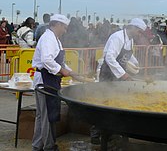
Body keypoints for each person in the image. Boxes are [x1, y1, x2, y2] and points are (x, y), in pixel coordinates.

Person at [90, 18, 147, 145]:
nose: (140, 35)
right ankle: (96, 134)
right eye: (139, 32)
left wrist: (136, 63)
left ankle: (112, 132)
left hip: (118, 75)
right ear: (133, 28)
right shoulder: (118, 37)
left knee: (116, 102)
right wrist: (123, 74)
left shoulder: (130, 40)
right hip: (108, 74)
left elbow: (128, 55)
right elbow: (110, 57)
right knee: (103, 103)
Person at [31, 14, 80, 151]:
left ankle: (37, 146)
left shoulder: (55, 39)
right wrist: (62, 71)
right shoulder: (48, 38)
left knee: (42, 116)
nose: (65, 30)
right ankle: (49, 147)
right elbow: (47, 60)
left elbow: (60, 62)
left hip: (50, 80)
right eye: (64, 27)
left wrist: (71, 72)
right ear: (57, 25)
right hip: (45, 81)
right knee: (47, 116)